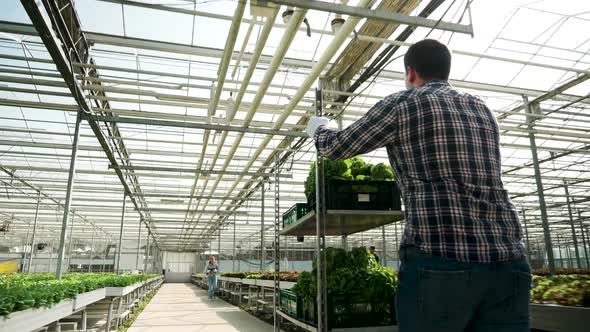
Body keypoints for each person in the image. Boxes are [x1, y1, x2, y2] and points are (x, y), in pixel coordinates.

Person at [307, 39, 530, 332]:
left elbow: (336, 148)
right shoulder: (481, 108)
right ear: (446, 70)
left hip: (440, 260)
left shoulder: (403, 104)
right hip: (509, 261)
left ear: (411, 72)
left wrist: (320, 128)